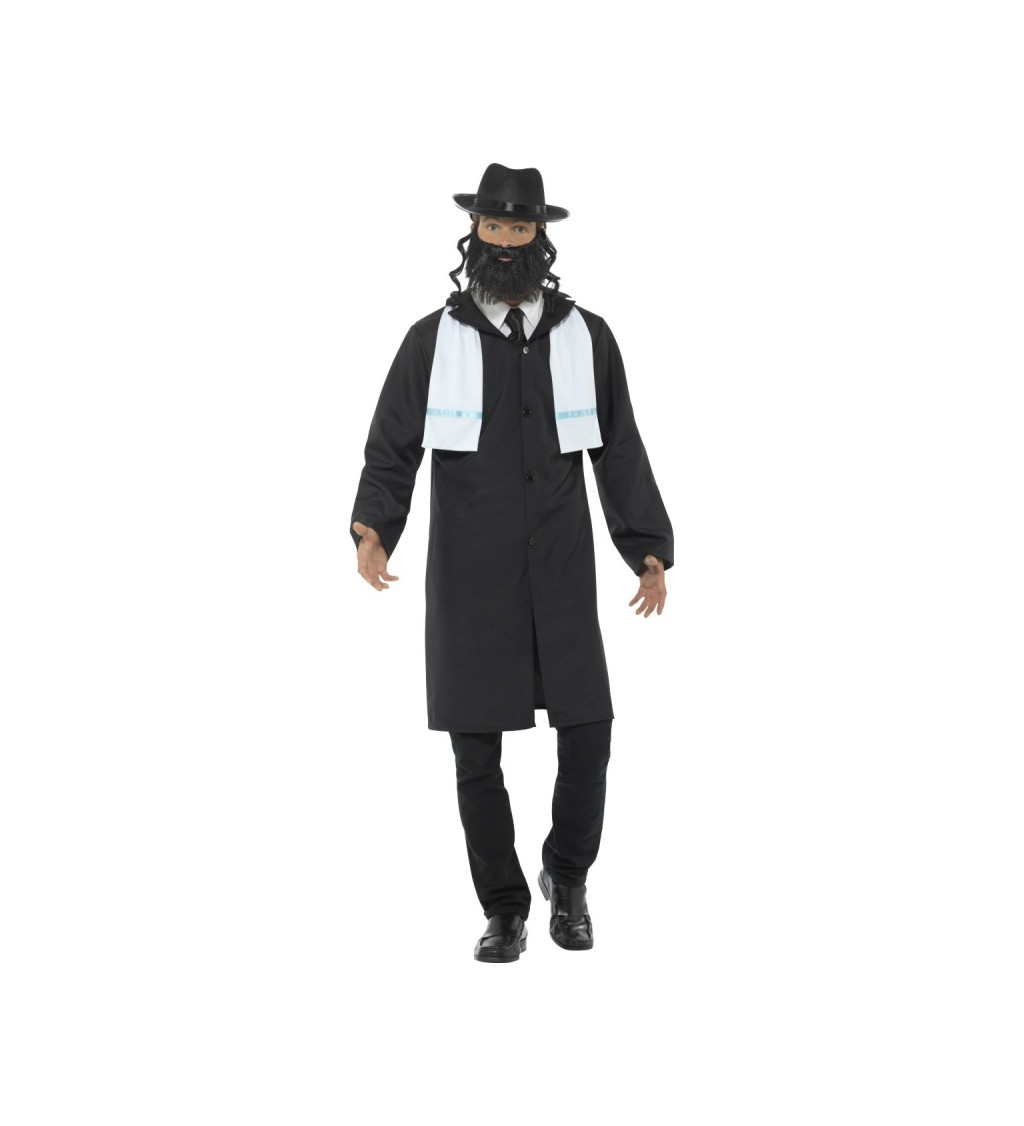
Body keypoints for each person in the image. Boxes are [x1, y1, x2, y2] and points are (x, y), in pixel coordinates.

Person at [350, 163, 673, 963]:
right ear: (474, 231)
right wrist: (373, 528)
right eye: (491, 225)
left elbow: (619, 448)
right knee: (475, 748)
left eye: (517, 226)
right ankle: (504, 908)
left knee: (589, 731)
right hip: (470, 574)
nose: (502, 239)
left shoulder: (586, 337)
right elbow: (393, 445)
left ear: (539, 236)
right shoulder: (432, 340)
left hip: (560, 570)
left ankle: (568, 876)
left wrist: (647, 547)